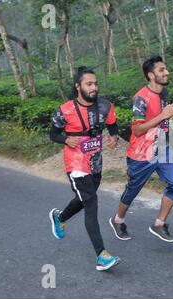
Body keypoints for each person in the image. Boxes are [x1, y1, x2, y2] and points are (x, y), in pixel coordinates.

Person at [49, 66, 121, 271]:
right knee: (91, 202)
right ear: (78, 86)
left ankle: (60, 218)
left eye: (95, 83)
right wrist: (65, 139)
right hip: (75, 163)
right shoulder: (65, 110)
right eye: (89, 84)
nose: (94, 87)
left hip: (95, 161)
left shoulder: (106, 106)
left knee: (84, 199)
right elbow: (53, 134)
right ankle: (102, 256)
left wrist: (114, 136)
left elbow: (112, 124)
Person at [109, 56, 173, 243]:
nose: (166, 72)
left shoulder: (164, 92)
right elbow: (137, 129)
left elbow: (163, 119)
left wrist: (169, 120)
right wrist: (162, 116)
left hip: (162, 147)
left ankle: (159, 223)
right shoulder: (140, 98)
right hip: (142, 152)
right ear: (151, 75)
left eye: (166, 69)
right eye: (161, 70)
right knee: (133, 189)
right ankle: (118, 220)